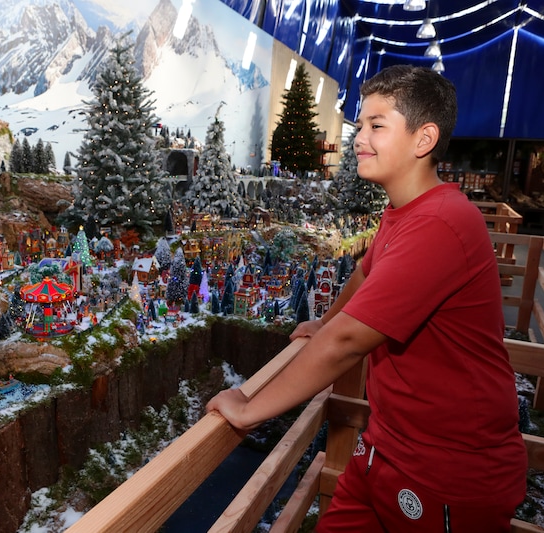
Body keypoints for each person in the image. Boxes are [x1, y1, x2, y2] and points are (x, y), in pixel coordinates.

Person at [206, 64, 527, 532]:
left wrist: (250, 409)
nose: (359, 138)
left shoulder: (441, 223)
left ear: (424, 139)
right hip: (387, 445)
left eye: (377, 126)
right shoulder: (406, 212)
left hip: (449, 471)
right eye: (360, 125)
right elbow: (364, 272)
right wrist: (324, 322)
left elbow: (348, 342)